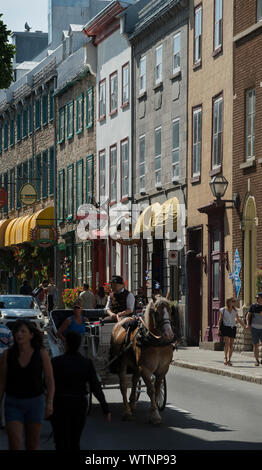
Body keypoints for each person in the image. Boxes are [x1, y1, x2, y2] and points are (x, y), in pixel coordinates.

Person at [50, 331, 111, 450]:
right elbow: (95, 387)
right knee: (74, 441)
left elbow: (46, 385)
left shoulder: (55, 362)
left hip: (60, 404)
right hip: (78, 405)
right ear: (79, 345)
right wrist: (105, 409)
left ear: (65, 344)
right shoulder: (86, 363)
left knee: (60, 441)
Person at [0, 320, 54, 450]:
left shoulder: (41, 353)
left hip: (35, 402)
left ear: (31, 335)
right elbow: (1, 382)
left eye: (23, 331)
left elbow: (49, 380)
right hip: (13, 402)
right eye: (16, 331)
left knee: (32, 444)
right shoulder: (7, 354)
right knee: (14, 443)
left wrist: (49, 403)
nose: (19, 334)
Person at [218, 297, 245, 366]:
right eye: (232, 301)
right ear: (228, 302)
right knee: (226, 343)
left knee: (231, 345)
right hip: (225, 327)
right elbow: (220, 320)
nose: (234, 303)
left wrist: (244, 326)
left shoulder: (235, 311)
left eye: (234, 301)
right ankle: (225, 358)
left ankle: (229, 360)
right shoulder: (223, 310)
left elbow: (238, 319)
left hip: (233, 328)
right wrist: (218, 329)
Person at [0, 324, 14, 428]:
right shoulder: (6, 329)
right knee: (3, 391)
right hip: (3, 362)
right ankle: (3, 420)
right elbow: (12, 346)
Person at [246, 292, 262, 366]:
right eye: (256, 298)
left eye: (258, 298)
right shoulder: (253, 306)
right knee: (256, 345)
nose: (257, 299)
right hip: (254, 328)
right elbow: (248, 316)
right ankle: (257, 361)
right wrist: (248, 324)